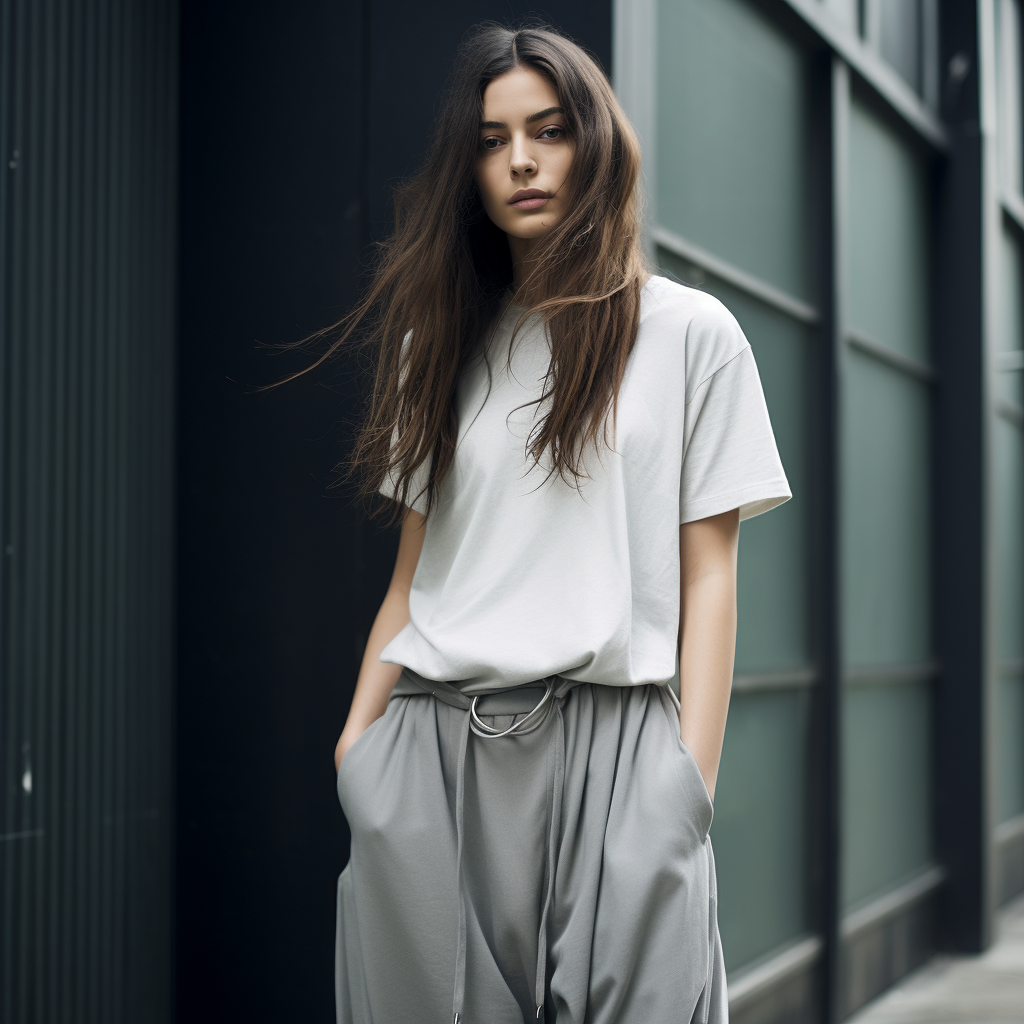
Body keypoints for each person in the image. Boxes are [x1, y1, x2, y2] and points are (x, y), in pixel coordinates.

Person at [313, 21, 791, 1024]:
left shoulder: (692, 337)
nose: (521, 160)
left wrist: (684, 788)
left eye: (548, 129)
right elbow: (413, 575)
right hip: (434, 756)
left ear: (597, 142)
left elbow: (710, 578)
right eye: (491, 140)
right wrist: (359, 751)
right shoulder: (431, 344)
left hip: (620, 751)